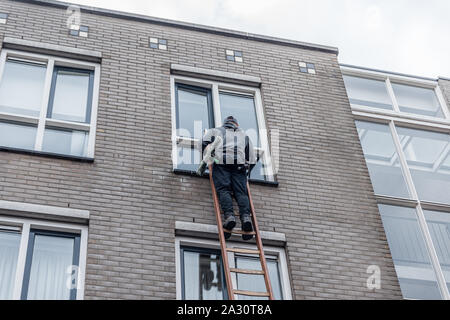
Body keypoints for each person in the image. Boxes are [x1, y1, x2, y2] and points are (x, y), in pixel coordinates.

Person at [201, 116, 257, 240]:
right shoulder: (245, 135)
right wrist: (246, 173)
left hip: (221, 163)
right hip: (239, 166)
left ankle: (229, 216)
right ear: (236, 124)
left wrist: (207, 159)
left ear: (224, 124)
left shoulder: (215, 131)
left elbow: (204, 144)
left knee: (223, 190)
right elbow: (252, 159)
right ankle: (246, 218)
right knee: (241, 193)